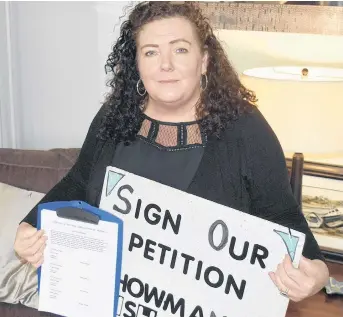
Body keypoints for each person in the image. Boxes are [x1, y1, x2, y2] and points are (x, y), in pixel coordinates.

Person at [14, 1, 329, 303]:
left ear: (204, 59)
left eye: (180, 49)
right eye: (151, 52)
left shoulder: (245, 129)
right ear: (137, 63)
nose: (165, 65)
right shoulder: (114, 116)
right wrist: (30, 224)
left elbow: (281, 213)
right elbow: (77, 183)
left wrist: (317, 269)